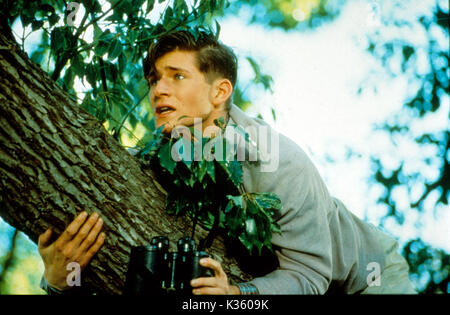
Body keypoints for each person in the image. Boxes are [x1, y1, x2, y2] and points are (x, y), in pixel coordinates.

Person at [39, 29, 416, 295]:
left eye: (177, 76)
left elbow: (310, 277)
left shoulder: (279, 161)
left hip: (367, 279)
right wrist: (61, 282)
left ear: (220, 92)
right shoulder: (153, 162)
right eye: (154, 79)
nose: (158, 89)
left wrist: (237, 292)